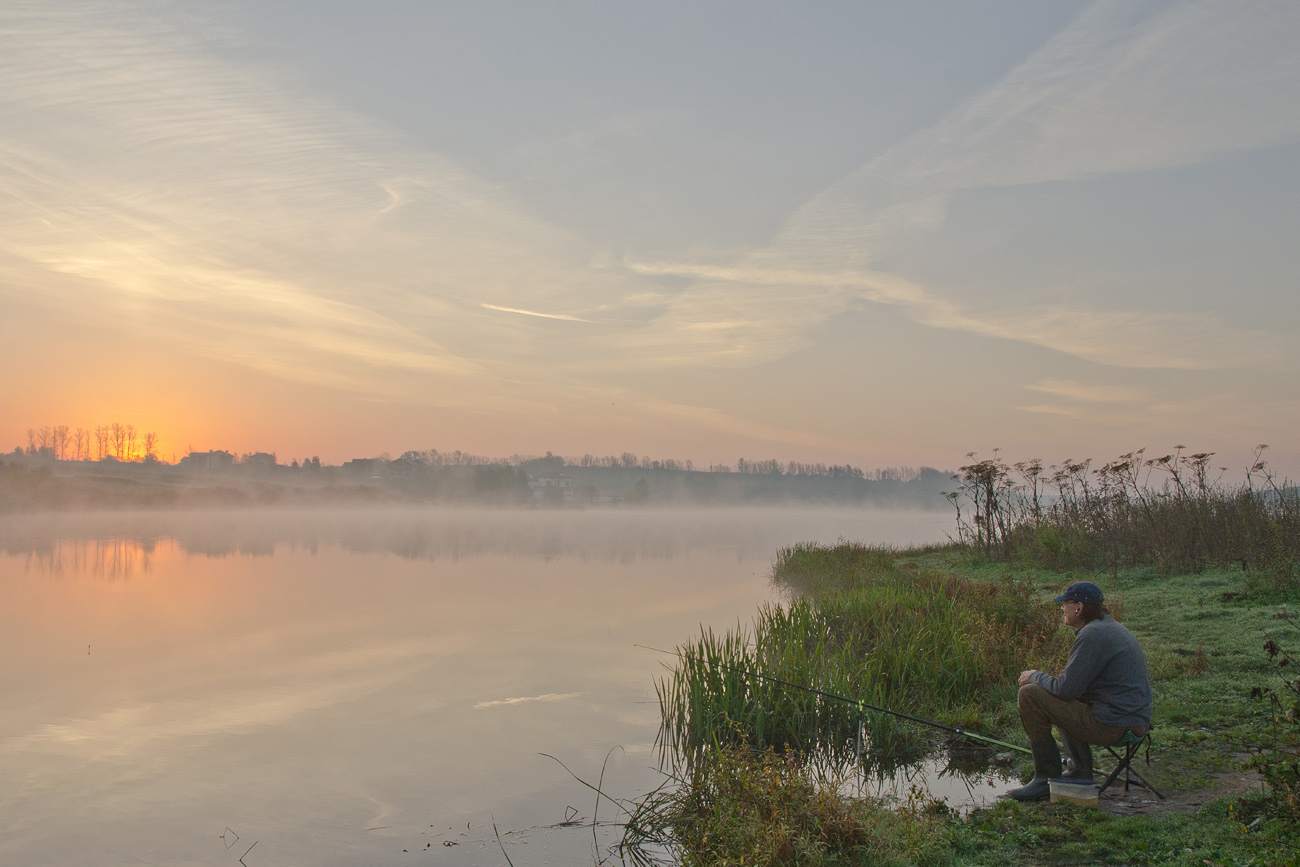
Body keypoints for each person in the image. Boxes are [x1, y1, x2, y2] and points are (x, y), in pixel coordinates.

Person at [1004, 581, 1152, 801]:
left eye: (1065, 603)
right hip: (1135, 722)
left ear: (1079, 608)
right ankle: (1079, 771)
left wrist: (1034, 675)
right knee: (1064, 700)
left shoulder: (1092, 634)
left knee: (1030, 695)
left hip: (1114, 725)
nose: (1062, 608)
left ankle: (1045, 779)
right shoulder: (1110, 627)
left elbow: (1064, 689)